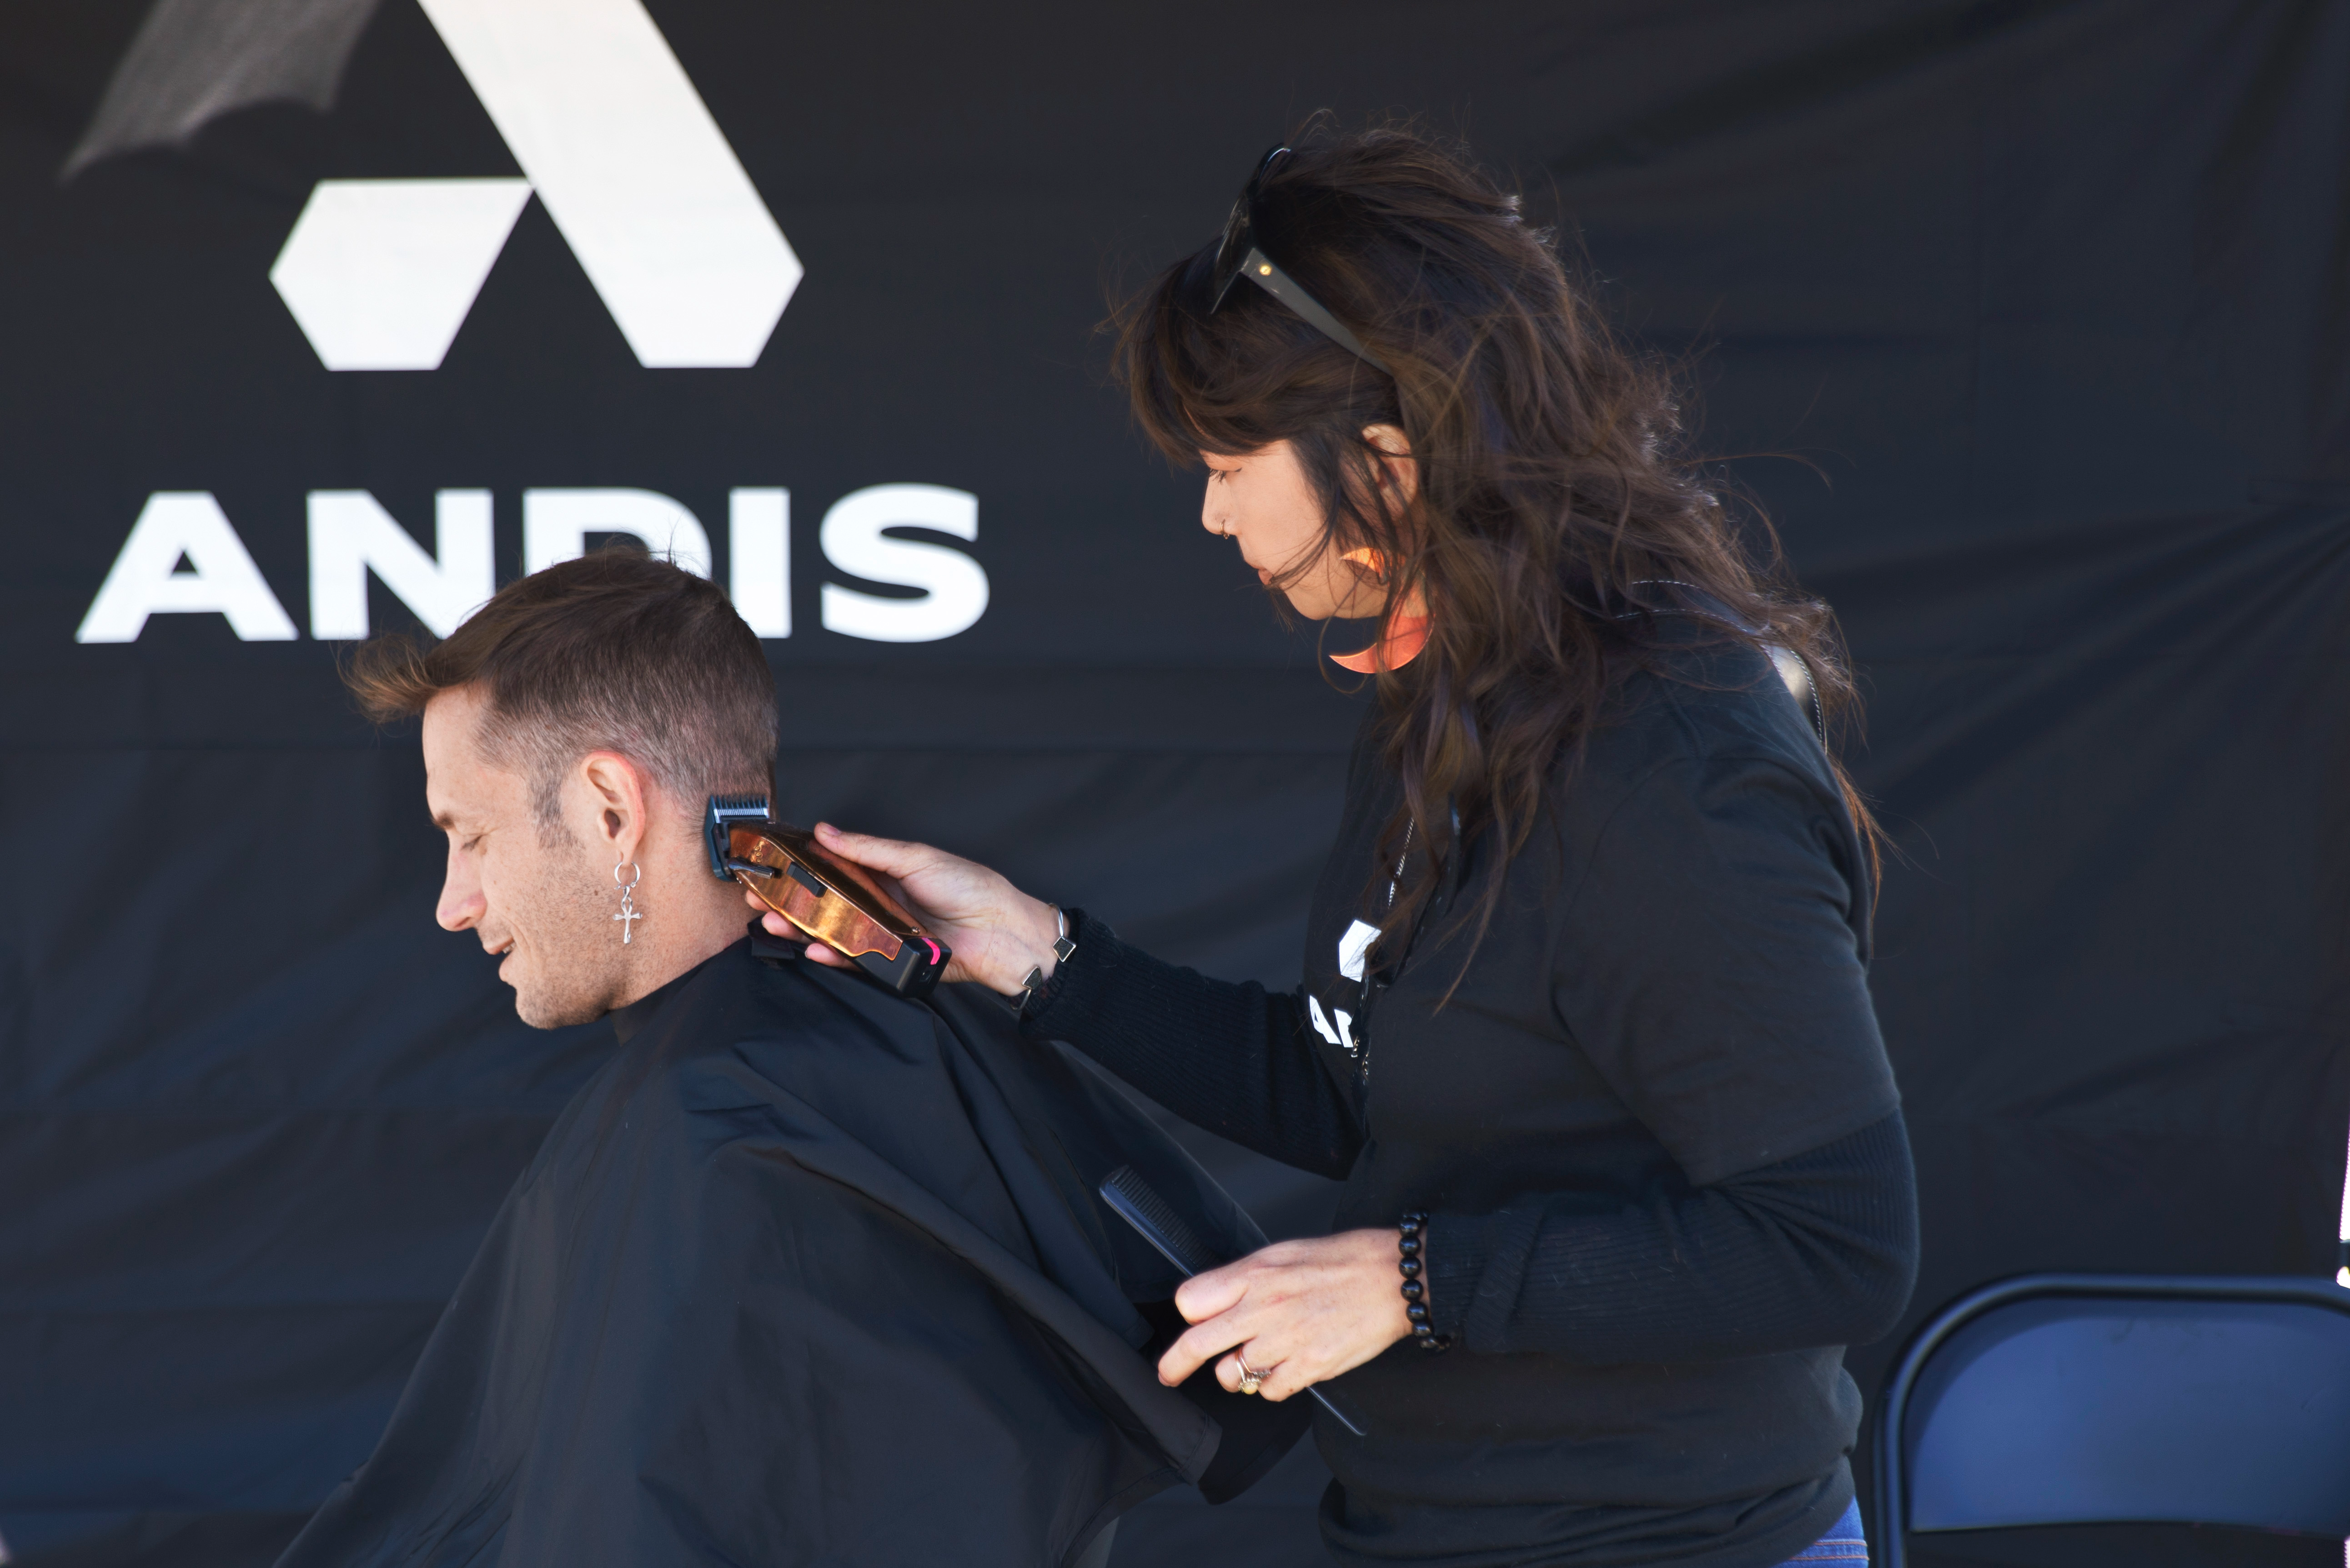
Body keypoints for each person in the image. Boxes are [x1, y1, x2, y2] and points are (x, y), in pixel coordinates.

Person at [761, 126, 1918, 1568]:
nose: (1210, 506)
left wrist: (1414, 1283)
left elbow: (1838, 1238)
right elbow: (1375, 1086)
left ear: (1384, 463)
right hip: (1426, 1524)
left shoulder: (1666, 766)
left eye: (1232, 460)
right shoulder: (1451, 681)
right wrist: (1045, 960)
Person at [276, 550, 1307, 1568]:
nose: (455, 902)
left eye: (472, 835)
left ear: (609, 810)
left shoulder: (724, 1126)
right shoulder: (861, 1049)